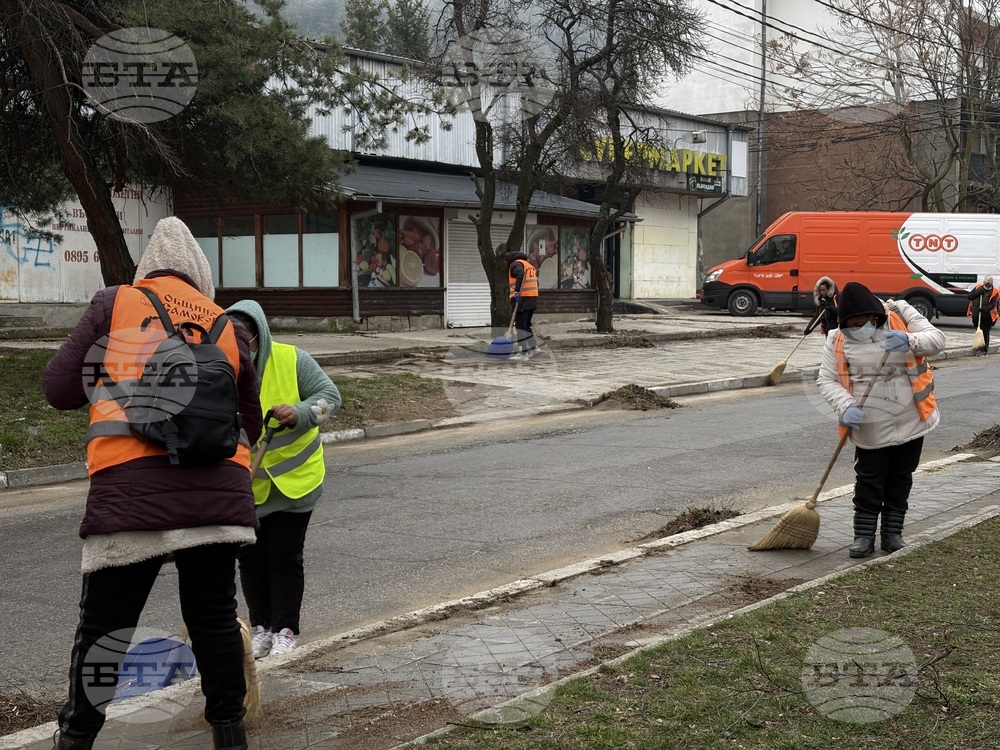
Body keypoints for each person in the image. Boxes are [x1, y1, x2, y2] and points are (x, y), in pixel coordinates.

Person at [42, 217, 261, 750]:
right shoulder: (226, 325)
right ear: (200, 275)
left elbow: (58, 388)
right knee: (213, 620)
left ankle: (77, 737)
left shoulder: (115, 303)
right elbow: (249, 422)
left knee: (105, 628)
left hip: (129, 491)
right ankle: (230, 737)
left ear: (147, 269)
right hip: (216, 498)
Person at [225, 300, 341, 659]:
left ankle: (286, 628)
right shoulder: (218, 366)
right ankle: (260, 627)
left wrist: (302, 412)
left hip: (295, 483)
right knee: (251, 558)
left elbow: (330, 398)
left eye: (245, 339)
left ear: (259, 336)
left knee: (283, 556)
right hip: (244, 484)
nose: (240, 347)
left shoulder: (293, 360)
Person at [817, 281, 945, 559]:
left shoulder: (901, 313)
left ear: (874, 317)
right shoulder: (837, 338)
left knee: (901, 477)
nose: (856, 330)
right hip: (870, 423)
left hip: (911, 417)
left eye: (861, 323)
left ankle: (892, 534)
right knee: (869, 479)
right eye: (850, 325)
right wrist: (845, 405)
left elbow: (937, 340)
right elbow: (826, 380)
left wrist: (910, 341)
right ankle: (863, 536)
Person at [504, 249, 539, 360]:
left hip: (522, 300)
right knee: (525, 325)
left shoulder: (515, 264)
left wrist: (517, 292)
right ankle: (534, 348)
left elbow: (520, 274)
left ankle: (522, 353)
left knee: (520, 327)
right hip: (532, 298)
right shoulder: (529, 265)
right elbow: (536, 282)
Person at [967, 275, 999, 355]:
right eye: (986, 284)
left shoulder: (994, 291)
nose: (987, 286)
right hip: (976, 314)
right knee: (978, 331)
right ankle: (978, 347)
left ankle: (984, 350)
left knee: (985, 332)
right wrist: (978, 293)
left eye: (988, 284)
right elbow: (969, 297)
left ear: (991, 284)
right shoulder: (978, 287)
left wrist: (984, 309)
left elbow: (992, 305)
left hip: (987, 316)